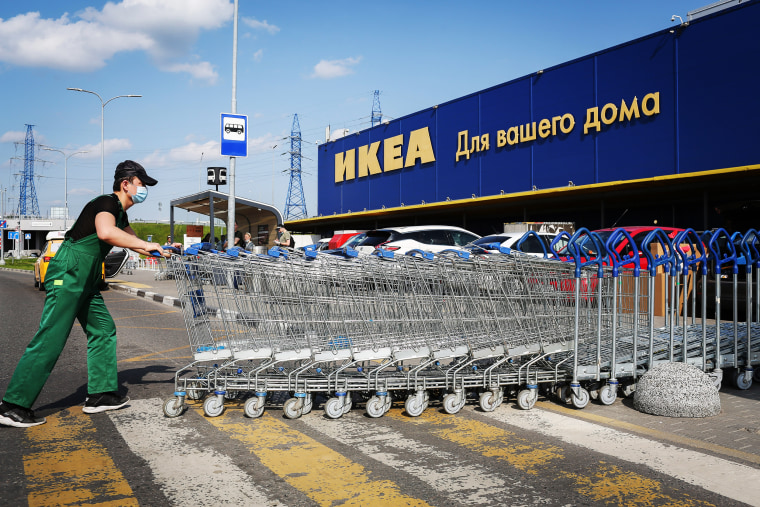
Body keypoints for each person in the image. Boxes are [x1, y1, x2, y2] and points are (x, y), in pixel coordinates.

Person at [0, 160, 168, 428]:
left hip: (86, 278)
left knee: (103, 329)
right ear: (126, 184)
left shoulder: (122, 215)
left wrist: (165, 249)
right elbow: (105, 232)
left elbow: (137, 245)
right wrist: (147, 244)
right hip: (70, 273)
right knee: (52, 336)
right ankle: (13, 405)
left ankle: (101, 395)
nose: (145, 188)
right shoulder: (106, 204)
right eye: (142, 184)